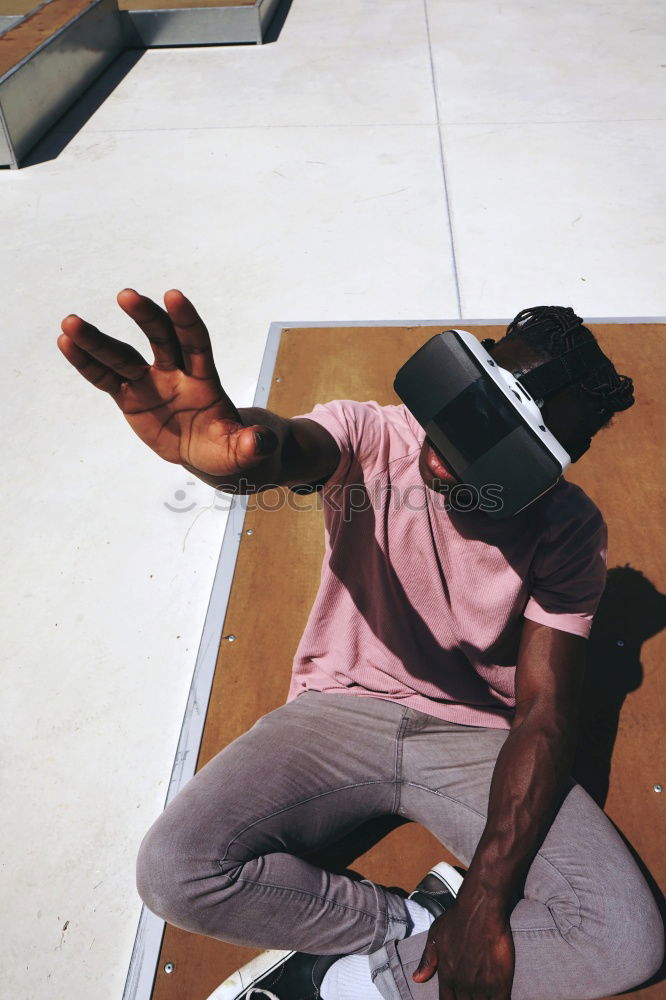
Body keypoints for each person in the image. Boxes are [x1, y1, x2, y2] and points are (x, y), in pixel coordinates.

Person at [57, 291, 664, 1000]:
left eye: (503, 446)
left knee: (625, 937)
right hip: (338, 711)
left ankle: (347, 982)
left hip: (474, 742)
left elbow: (544, 712)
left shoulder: (568, 526)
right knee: (175, 870)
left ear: (545, 465)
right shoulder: (375, 434)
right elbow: (286, 450)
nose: (453, 451)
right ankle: (412, 918)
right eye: (471, 407)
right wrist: (234, 455)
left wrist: (488, 900)